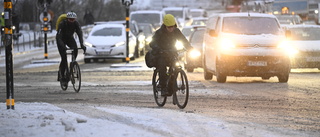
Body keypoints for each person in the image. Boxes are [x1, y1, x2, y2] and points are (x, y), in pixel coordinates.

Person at [149, 14, 193, 96]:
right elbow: (152, 43)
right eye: (169, 27)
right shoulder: (159, 33)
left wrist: (189, 47)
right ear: (165, 26)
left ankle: (171, 86)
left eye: (172, 27)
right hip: (161, 54)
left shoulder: (176, 31)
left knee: (175, 68)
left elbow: (183, 40)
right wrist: (158, 49)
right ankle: (162, 87)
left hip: (172, 53)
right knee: (162, 67)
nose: (171, 29)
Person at [56, 11, 86, 82]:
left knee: (75, 49)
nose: (72, 21)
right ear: (67, 19)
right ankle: (61, 74)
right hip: (61, 39)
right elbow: (59, 37)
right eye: (70, 19)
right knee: (64, 58)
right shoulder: (62, 24)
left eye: (73, 19)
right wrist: (63, 46)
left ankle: (72, 65)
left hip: (69, 38)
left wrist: (82, 44)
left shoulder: (76, 24)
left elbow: (79, 34)